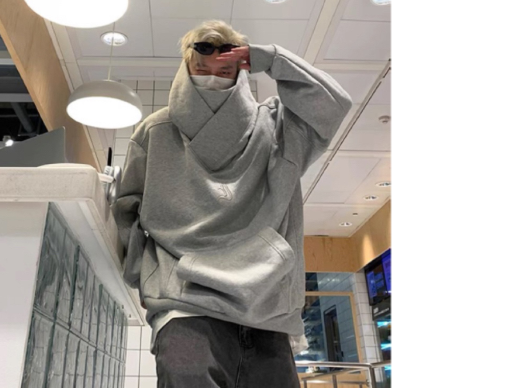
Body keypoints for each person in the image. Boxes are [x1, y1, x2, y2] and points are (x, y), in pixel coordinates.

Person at [112, 20, 352, 388]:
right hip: (187, 306)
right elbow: (127, 208)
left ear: (242, 69)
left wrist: (269, 58)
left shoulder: (278, 127)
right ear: (186, 67)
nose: (212, 77)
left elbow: (334, 105)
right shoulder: (155, 131)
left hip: (265, 309)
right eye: (201, 68)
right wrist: (145, 276)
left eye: (225, 69)